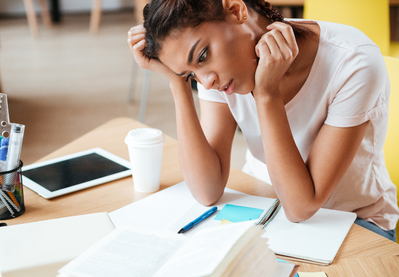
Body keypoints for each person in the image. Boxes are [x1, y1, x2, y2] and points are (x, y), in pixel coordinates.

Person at [127, 0, 398, 242]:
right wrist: (178, 83)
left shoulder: (354, 62)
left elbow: (301, 206)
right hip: (267, 208)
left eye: (202, 56)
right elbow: (206, 190)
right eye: (191, 74)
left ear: (236, 10)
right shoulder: (216, 75)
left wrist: (267, 95)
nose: (206, 81)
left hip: (353, 223)